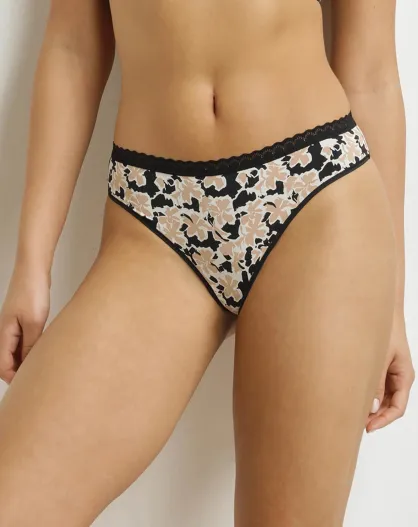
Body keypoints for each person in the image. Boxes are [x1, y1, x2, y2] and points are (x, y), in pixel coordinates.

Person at [0, 0, 415, 525]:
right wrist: (31, 264)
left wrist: (391, 306)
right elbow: (73, 48)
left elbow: (372, 73)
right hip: (154, 217)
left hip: (317, 197)